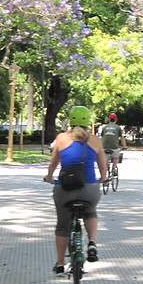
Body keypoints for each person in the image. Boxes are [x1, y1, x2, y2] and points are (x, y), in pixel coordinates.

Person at [43, 106, 108, 274]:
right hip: (89, 188)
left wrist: (49, 177)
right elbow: (103, 167)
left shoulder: (61, 138)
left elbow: (53, 164)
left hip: (65, 188)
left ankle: (60, 264)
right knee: (90, 212)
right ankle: (91, 243)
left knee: (62, 226)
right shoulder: (96, 140)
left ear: (70, 120)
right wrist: (103, 178)